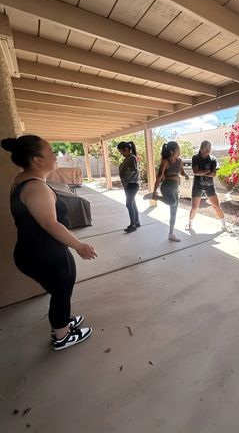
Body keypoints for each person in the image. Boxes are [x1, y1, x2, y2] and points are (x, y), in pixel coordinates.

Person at [1, 135, 97, 350]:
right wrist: (79, 246)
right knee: (62, 291)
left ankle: (62, 321)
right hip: (44, 254)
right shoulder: (36, 187)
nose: (55, 156)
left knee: (60, 291)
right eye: (51, 152)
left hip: (39, 251)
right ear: (37, 160)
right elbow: (49, 224)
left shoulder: (24, 179)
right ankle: (61, 335)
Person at [145, 141, 189, 242]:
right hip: (166, 187)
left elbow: (181, 172)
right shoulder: (165, 162)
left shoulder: (180, 161)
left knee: (173, 212)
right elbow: (159, 177)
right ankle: (155, 196)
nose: (180, 151)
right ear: (172, 151)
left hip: (175, 188)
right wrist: (155, 190)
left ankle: (171, 234)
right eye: (178, 149)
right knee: (173, 202)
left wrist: (185, 175)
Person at [186, 140, 226, 231]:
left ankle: (224, 225)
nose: (208, 149)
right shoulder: (195, 158)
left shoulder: (213, 159)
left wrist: (202, 172)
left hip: (209, 186)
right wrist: (208, 171)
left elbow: (213, 174)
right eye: (206, 147)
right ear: (201, 147)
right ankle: (190, 224)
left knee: (216, 206)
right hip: (197, 186)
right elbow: (196, 172)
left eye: (209, 147)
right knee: (194, 207)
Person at [117, 141, 140, 233]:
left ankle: (133, 225)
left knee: (129, 204)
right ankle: (136, 222)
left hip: (132, 184)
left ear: (126, 149)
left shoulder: (132, 158)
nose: (121, 154)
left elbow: (134, 170)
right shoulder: (128, 158)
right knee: (133, 203)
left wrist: (126, 181)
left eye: (121, 152)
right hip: (130, 184)